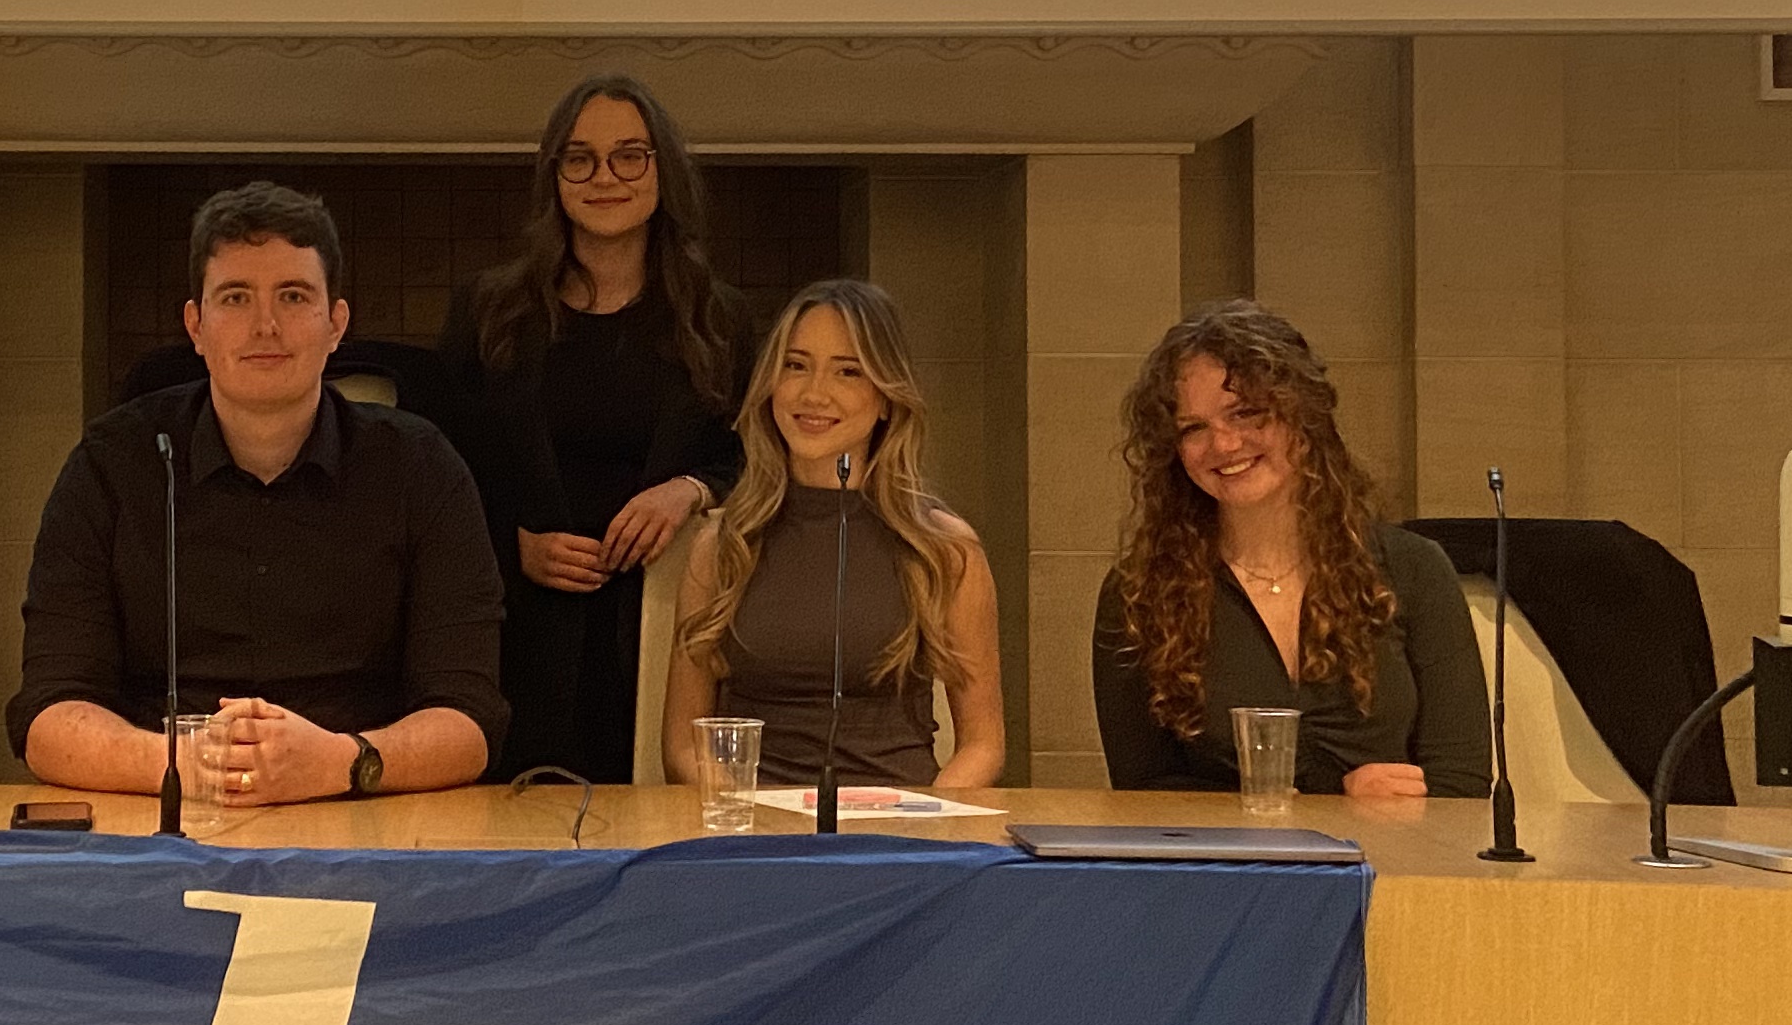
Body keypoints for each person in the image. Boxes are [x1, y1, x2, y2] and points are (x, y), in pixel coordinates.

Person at [12, 181, 505, 805]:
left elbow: (469, 720)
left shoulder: (421, 467)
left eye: (293, 296)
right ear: (196, 325)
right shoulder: (110, 465)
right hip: (158, 811)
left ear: (336, 324)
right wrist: (190, 765)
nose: (265, 326)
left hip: (362, 810)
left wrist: (341, 762)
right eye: (236, 297)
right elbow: (48, 716)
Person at [435, 72, 745, 781]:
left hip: (660, 627)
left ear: (663, 170)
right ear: (555, 176)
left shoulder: (718, 318)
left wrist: (691, 490)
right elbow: (438, 468)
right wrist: (512, 544)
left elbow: (757, 459)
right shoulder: (488, 308)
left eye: (629, 155)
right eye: (580, 158)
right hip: (518, 629)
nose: (605, 177)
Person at [1090, 298, 1493, 800]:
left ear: (1302, 416)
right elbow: (1142, 795)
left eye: (1245, 413)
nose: (1223, 444)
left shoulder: (1414, 568)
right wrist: (1323, 805)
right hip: (1223, 853)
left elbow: (1462, 784)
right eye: (1194, 428)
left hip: (1392, 849)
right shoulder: (1137, 593)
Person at [662, 279, 1005, 793]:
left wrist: (927, 818)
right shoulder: (721, 545)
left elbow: (983, 745)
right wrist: (750, 813)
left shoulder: (945, 548)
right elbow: (683, 748)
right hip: (754, 824)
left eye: (848, 371)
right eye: (796, 366)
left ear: (886, 397)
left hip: (901, 824)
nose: (814, 394)